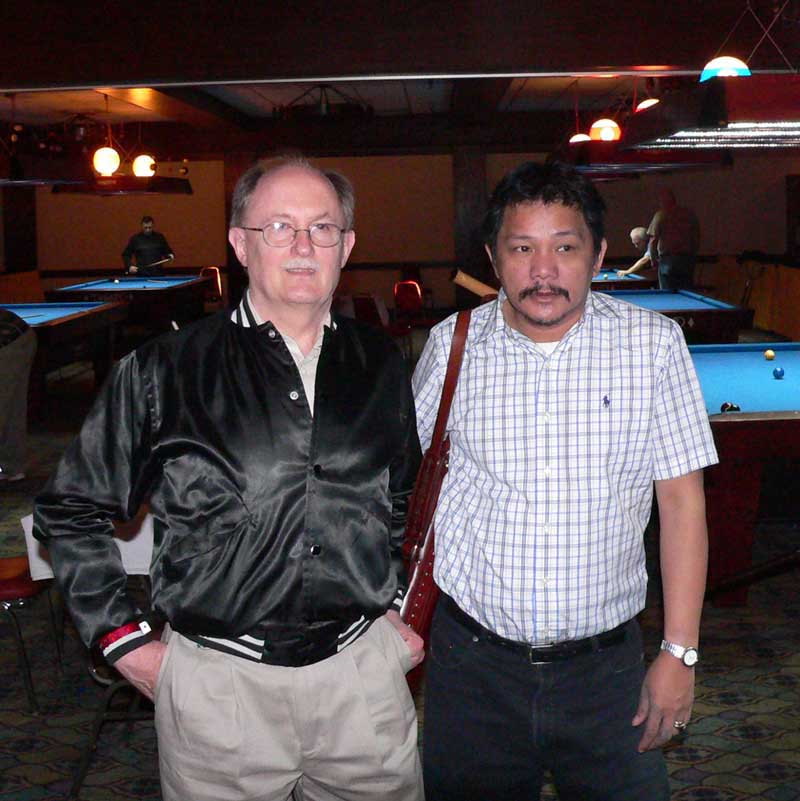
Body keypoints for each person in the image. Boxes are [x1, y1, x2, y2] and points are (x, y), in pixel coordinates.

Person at [35, 156, 425, 801]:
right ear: (241, 245)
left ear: (347, 245)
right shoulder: (163, 369)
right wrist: (125, 644)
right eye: (279, 227)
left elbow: (402, 497)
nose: (303, 245)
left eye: (322, 228)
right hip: (220, 690)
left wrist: (398, 607)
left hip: (363, 681)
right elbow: (72, 509)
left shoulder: (379, 360)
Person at [413, 161, 718, 801]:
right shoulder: (451, 347)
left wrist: (680, 653)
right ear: (494, 258)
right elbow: (410, 484)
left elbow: (682, 504)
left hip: (607, 673)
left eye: (565, 247)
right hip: (472, 670)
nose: (543, 271)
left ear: (599, 255)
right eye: (522, 248)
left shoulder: (654, 346)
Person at [0, 308, 37, 483]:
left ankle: (12, 466)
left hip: (10, 343)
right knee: (13, 409)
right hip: (20, 338)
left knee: (8, 407)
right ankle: (12, 468)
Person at [647, 189, 700, 290]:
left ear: (663, 202)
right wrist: (693, 255)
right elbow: (696, 237)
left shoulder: (661, 215)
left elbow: (653, 240)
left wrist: (653, 260)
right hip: (687, 260)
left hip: (668, 260)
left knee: (667, 292)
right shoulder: (689, 215)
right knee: (686, 291)